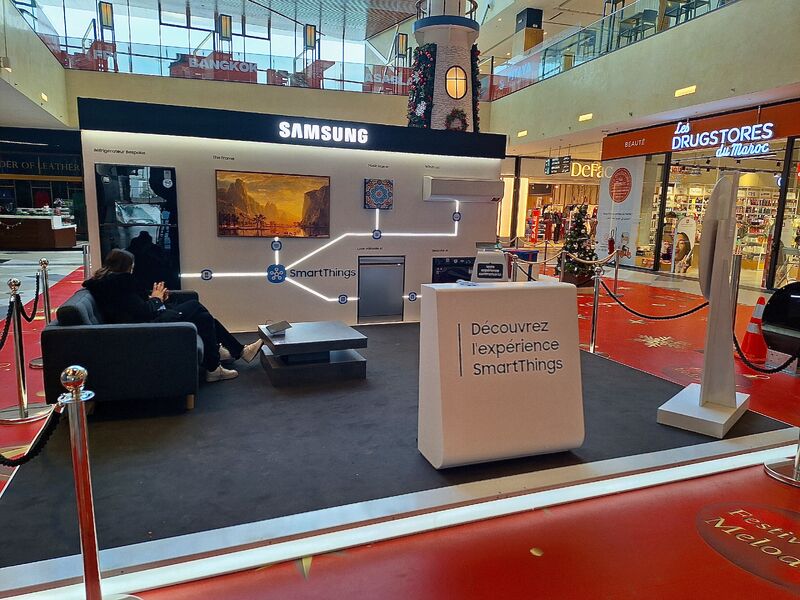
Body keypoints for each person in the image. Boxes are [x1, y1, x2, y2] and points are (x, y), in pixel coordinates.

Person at [83, 249, 262, 382]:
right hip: (145, 328)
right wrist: (156, 299)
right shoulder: (120, 284)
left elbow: (132, 306)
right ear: (127, 267)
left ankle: (220, 360)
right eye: (132, 267)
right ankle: (226, 357)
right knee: (196, 307)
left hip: (141, 325)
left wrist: (158, 298)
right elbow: (143, 312)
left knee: (204, 318)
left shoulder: (105, 284)